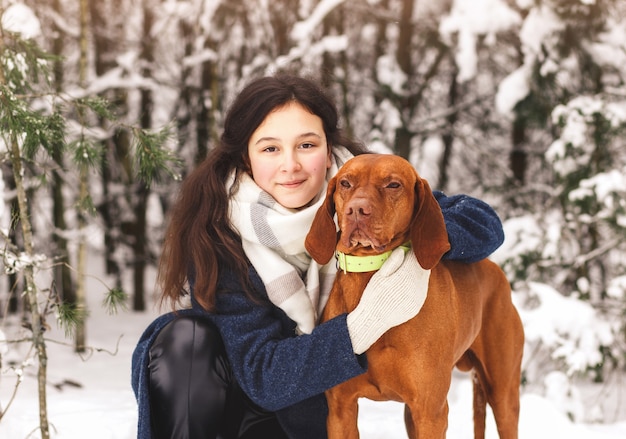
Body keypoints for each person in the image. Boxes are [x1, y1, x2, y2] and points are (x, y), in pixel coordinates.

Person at [131, 73, 505, 439]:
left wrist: (414, 243)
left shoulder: (362, 185)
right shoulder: (221, 237)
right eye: (270, 148)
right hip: (234, 413)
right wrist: (363, 324)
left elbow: (484, 223)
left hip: (301, 425)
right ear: (246, 160)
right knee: (184, 339)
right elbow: (266, 377)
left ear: (328, 153)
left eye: (307, 145)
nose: (290, 165)